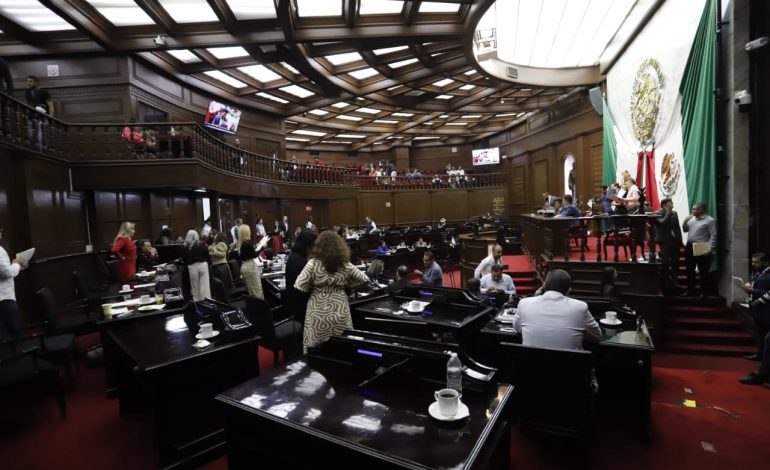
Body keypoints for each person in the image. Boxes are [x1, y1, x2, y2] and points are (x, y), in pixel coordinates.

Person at [294, 231, 369, 351]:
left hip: (318, 311)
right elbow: (364, 279)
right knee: (343, 347)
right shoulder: (345, 264)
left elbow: (299, 285)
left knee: (317, 349)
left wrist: (313, 288)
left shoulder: (313, 263)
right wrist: (347, 284)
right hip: (340, 309)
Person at [512, 269, 601, 350]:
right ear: (569, 290)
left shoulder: (524, 303)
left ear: (544, 285)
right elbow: (597, 336)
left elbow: (517, 328)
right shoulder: (580, 307)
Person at [682, 202, 717, 296]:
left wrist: (710, 249)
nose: (692, 210)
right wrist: (685, 220)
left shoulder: (710, 220)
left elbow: (713, 236)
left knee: (703, 271)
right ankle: (690, 290)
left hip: (702, 246)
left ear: (701, 210)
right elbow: (685, 230)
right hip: (689, 246)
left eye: (694, 209)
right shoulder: (692, 219)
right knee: (689, 270)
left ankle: (704, 292)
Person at [284, 229, 318, 327]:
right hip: (302, 310)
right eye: (314, 246)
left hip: (298, 304)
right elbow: (308, 287)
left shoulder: (296, 255)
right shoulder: (299, 261)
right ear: (308, 245)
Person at [741, 253, 770, 362]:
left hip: (766, 309)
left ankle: (765, 360)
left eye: (756, 262)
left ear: (766, 262)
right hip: (757, 309)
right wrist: (750, 285)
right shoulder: (758, 272)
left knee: (766, 336)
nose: (753, 264)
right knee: (760, 335)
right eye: (752, 262)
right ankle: (760, 355)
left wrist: (753, 291)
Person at [0, 228, 28, 339]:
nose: (1, 232)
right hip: (4, 298)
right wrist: (17, 264)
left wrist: (17, 266)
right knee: (16, 334)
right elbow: (7, 272)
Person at [655, 198, 683, 290]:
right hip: (665, 241)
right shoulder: (657, 213)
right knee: (666, 262)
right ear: (664, 205)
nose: (672, 204)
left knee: (676, 262)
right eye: (671, 203)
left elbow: (677, 227)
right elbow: (663, 223)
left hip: (675, 241)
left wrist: (680, 239)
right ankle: (666, 282)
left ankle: (674, 281)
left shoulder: (674, 213)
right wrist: (668, 212)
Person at [25, 76, 53, 150]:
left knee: (40, 137)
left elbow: (51, 106)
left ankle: (40, 152)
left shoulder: (44, 93)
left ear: (36, 82)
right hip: (31, 117)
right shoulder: (27, 92)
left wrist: (49, 118)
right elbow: (28, 103)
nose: (28, 83)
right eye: (27, 81)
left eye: (30, 81)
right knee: (30, 135)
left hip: (41, 117)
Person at [183, 229, 211, 302]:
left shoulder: (185, 248)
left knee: (195, 288)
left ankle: (197, 304)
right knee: (205, 287)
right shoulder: (201, 245)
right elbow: (207, 255)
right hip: (203, 265)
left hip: (192, 267)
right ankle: (206, 303)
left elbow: (184, 260)